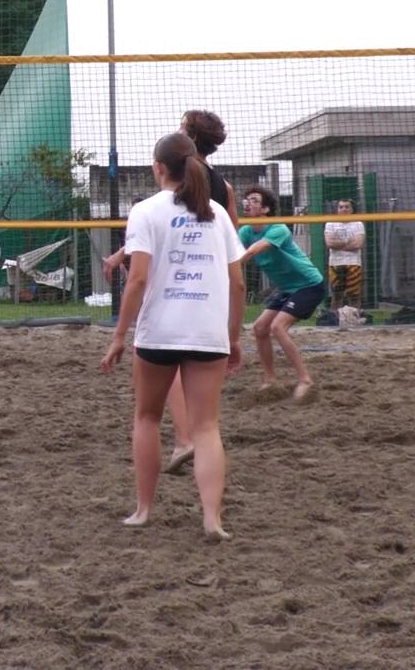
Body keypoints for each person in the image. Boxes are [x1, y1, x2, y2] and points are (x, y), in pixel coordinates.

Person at [100, 133, 244, 541]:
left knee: (146, 418)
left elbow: (137, 279)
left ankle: (144, 511)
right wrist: (233, 338)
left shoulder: (146, 211)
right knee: (206, 428)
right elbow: (237, 284)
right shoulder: (216, 212)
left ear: (158, 168)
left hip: (159, 330)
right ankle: (212, 520)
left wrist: (118, 336)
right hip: (207, 330)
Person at [238, 186, 326, 400]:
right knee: (259, 328)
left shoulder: (278, 228)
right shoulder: (246, 231)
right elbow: (232, 251)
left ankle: (305, 380)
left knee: (278, 327)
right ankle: (270, 381)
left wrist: (228, 266)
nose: (248, 203)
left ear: (265, 209)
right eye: (246, 200)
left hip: (309, 285)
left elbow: (254, 250)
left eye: (254, 200)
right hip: (287, 289)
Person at [323, 199, 365, 311]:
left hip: (354, 262)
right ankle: (334, 317)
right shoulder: (330, 223)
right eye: (341, 207)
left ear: (351, 209)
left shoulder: (358, 224)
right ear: (337, 209)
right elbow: (330, 243)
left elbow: (358, 244)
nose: (344, 209)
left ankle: (353, 318)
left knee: (354, 294)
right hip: (335, 263)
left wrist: (339, 245)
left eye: (346, 207)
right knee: (337, 294)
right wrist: (348, 242)